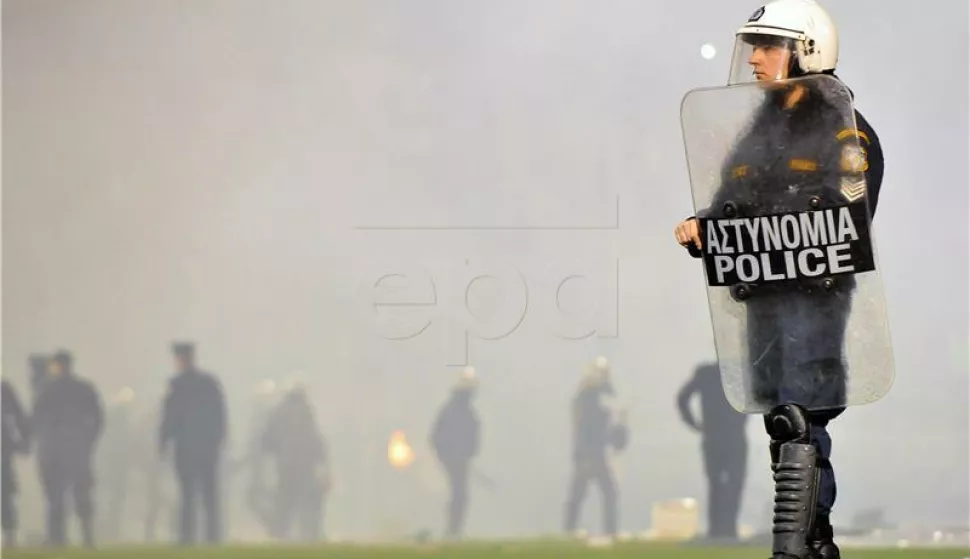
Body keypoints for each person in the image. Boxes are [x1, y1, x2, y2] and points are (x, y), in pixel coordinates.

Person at [673, 1, 884, 557]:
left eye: (769, 46)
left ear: (806, 51)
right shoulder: (755, 132)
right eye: (754, 46)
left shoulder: (844, 132)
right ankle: (812, 546)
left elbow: (849, 220)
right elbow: (729, 204)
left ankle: (796, 549)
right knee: (781, 428)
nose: (756, 58)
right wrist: (704, 228)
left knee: (800, 424)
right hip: (762, 303)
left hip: (814, 304)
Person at [32, 350, 104, 548]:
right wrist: (89, 441)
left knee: (55, 496)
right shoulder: (83, 388)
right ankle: (86, 537)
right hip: (77, 449)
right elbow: (98, 418)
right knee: (80, 494)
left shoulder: (47, 389)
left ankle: (58, 537)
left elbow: (36, 420)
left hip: (55, 450)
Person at [159, 342, 226, 545]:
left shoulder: (177, 385)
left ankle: (187, 537)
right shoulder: (209, 383)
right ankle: (212, 537)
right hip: (206, 446)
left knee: (189, 494)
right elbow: (220, 415)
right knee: (208, 494)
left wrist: (163, 440)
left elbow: (170, 416)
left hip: (187, 447)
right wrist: (218, 439)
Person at [676, 363, 748, 541]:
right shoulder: (741, 373)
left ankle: (715, 529)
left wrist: (693, 423)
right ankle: (729, 528)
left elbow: (682, 398)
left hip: (712, 436)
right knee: (734, 484)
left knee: (715, 484)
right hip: (734, 435)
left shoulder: (705, 373)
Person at [563, 357, 628, 538]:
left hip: (593, 453)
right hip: (589, 453)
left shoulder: (593, 396)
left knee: (594, 493)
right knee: (587, 493)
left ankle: (574, 529)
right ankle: (575, 529)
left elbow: (613, 432)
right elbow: (589, 425)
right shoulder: (587, 397)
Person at [261, 377, 329, 541]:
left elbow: (268, 439)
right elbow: (314, 438)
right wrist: (322, 459)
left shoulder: (278, 411)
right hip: (305, 465)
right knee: (309, 504)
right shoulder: (306, 411)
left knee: (285, 503)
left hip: (285, 466)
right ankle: (311, 535)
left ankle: (279, 534)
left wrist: (276, 453)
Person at [429, 366, 480, 539]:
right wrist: (448, 455)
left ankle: (454, 530)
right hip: (453, 460)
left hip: (459, 460)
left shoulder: (464, 412)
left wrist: (467, 453)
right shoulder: (455, 411)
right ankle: (453, 530)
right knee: (459, 494)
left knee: (460, 495)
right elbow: (437, 437)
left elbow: (472, 438)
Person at [1, 379, 31, 547]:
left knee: (4, 494)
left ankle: (10, 535)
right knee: (5, 494)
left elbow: (18, 416)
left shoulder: (3, 389)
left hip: (3, 451)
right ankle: (9, 535)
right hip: (4, 450)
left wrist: (23, 440)